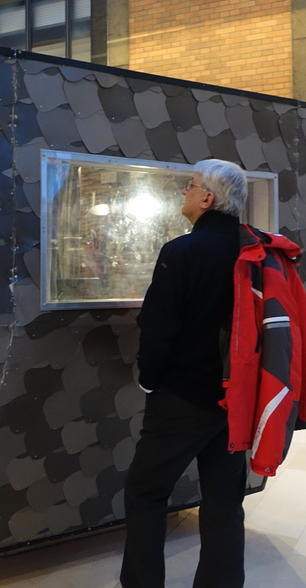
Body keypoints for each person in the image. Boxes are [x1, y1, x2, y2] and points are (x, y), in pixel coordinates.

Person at [121, 159, 249, 588]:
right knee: (224, 501)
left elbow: (159, 328)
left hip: (183, 398)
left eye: (190, 186)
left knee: (146, 491)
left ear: (207, 198)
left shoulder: (183, 251)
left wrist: (149, 379)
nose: (184, 192)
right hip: (238, 400)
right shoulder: (256, 251)